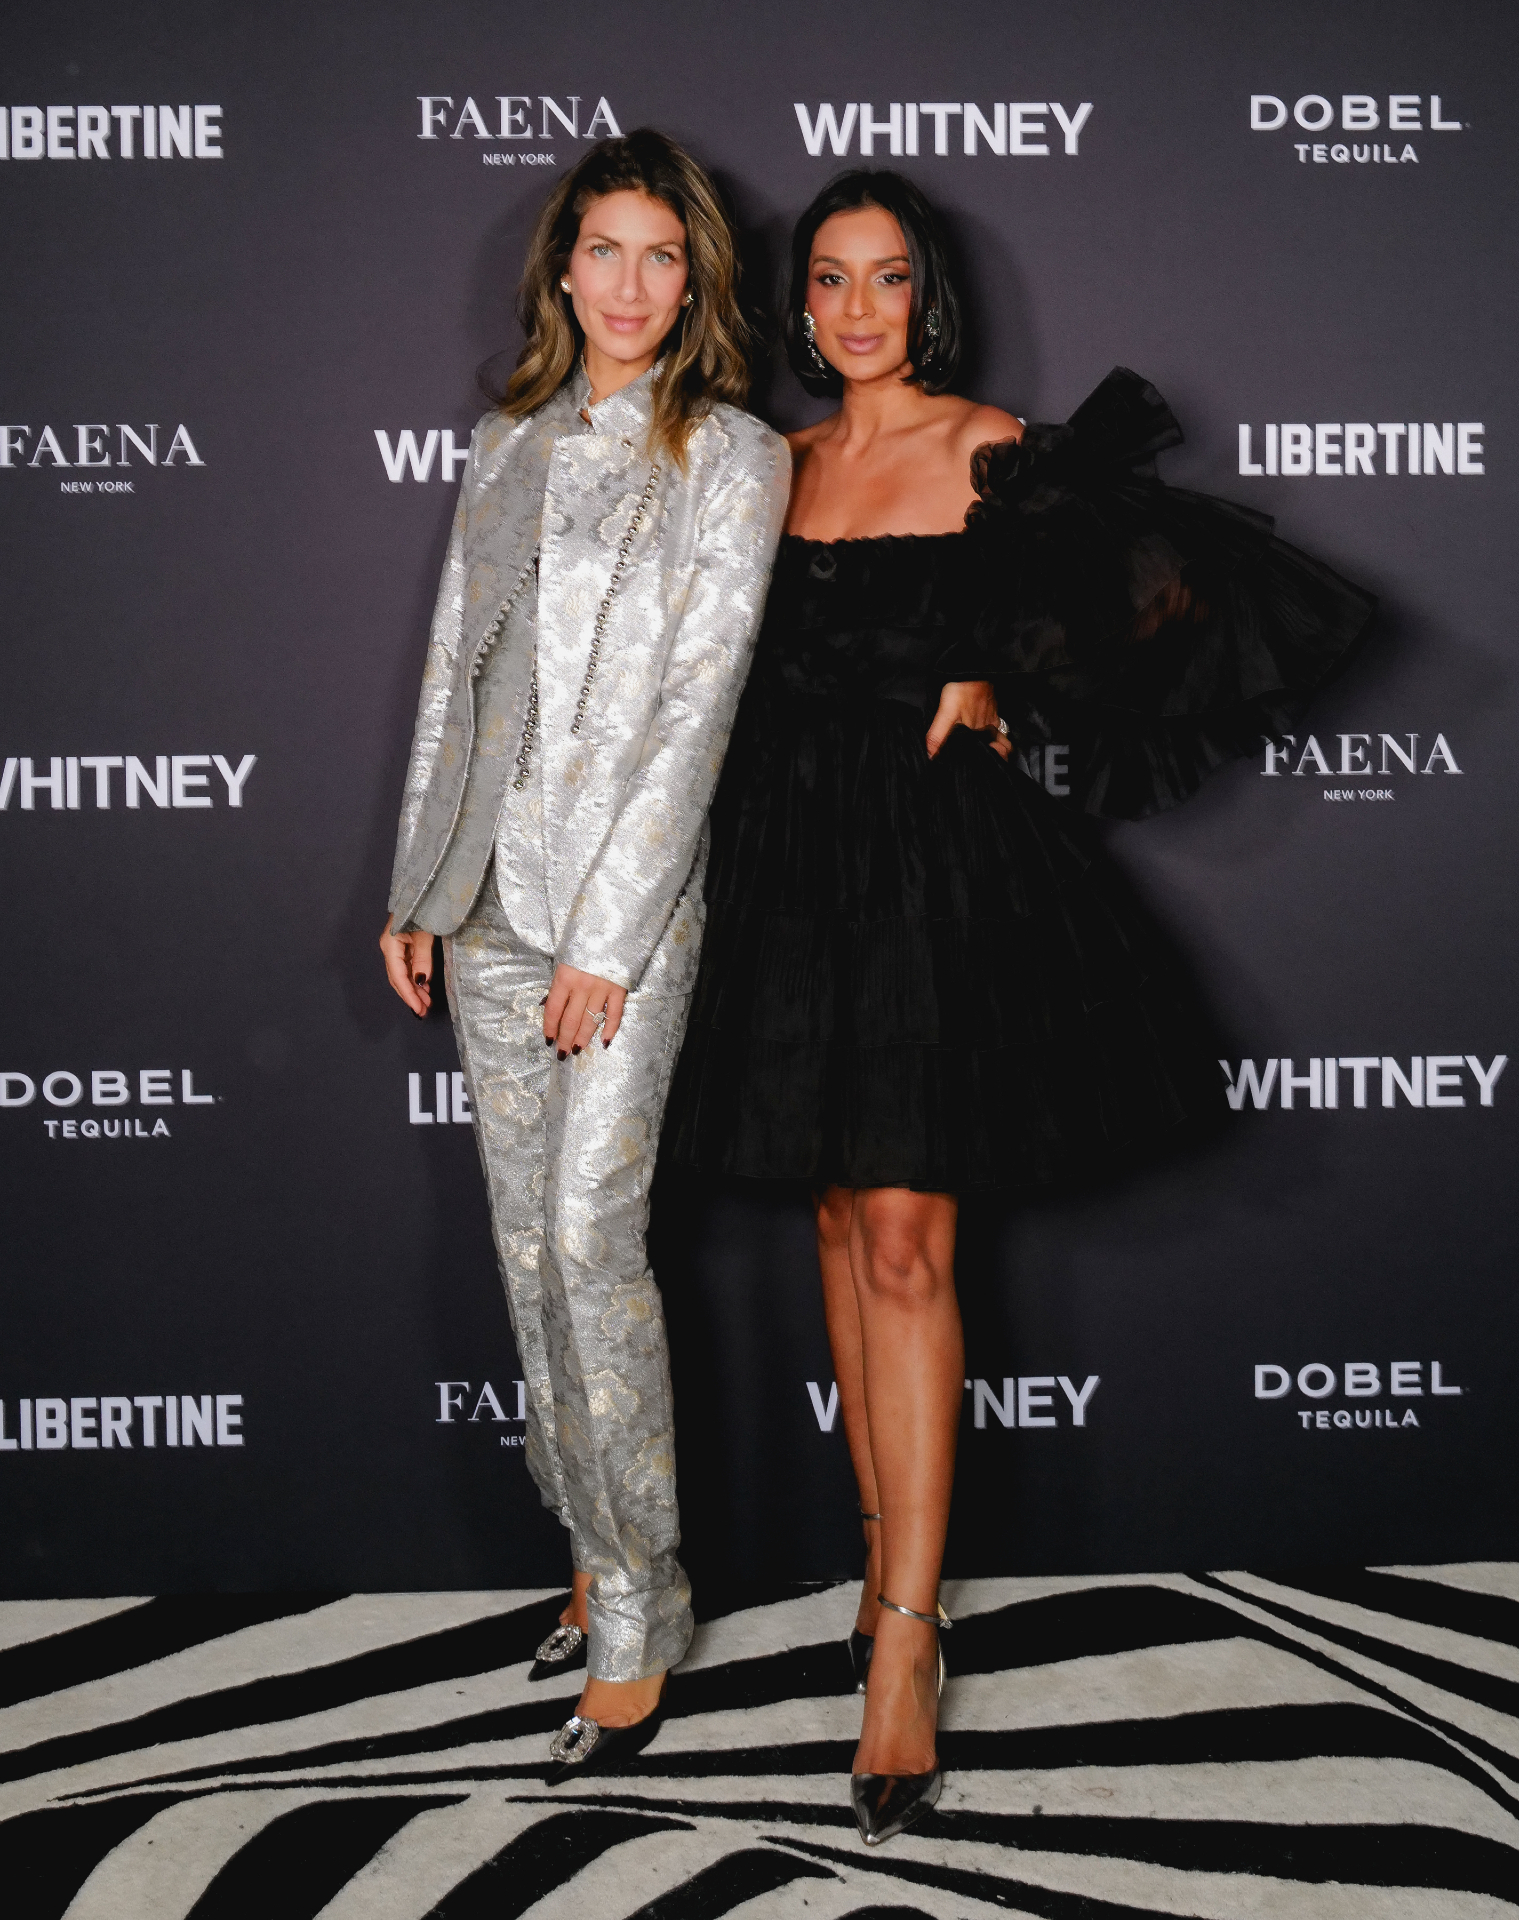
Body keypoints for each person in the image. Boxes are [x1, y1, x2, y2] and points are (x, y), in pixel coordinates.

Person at [667, 170, 1373, 1844]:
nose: (857, 310)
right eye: (829, 281)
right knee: (839, 1217)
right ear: (798, 304)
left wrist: (1006, 662)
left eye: (887, 278)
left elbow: (1176, 592)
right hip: (780, 872)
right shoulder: (766, 465)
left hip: (936, 878)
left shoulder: (998, 451)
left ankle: (910, 1641)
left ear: (929, 296)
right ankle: (877, 1570)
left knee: (909, 1237)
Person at [381, 130, 790, 1783]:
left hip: (618, 920)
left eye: (660, 256)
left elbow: (700, 708)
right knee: (524, 1257)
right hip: (485, 907)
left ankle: (642, 1604)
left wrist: (610, 938)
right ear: (564, 269)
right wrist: (419, 888)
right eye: (604, 251)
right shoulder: (506, 445)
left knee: (589, 1244)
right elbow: (453, 678)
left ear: (695, 283)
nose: (630, 284)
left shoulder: (733, 456)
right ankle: (590, 1547)